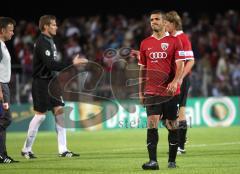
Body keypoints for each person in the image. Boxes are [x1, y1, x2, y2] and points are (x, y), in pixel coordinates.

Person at [21, 15, 88, 159]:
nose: (56, 27)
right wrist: (72, 64)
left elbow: (52, 65)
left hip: (52, 81)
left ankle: (63, 150)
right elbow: (50, 64)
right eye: (53, 25)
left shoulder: (50, 41)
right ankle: (26, 149)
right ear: (46, 26)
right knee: (40, 117)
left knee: (60, 112)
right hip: (41, 82)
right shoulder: (42, 42)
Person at [138, 10, 185, 170]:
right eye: (151, 19)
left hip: (170, 92)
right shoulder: (145, 43)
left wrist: (175, 81)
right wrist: (140, 90)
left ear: (164, 22)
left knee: (172, 125)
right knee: (152, 123)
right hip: (151, 91)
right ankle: (153, 161)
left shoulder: (175, 41)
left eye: (157, 19)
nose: (153, 22)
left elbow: (180, 64)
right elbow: (143, 69)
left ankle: (172, 161)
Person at [165, 11, 195, 154]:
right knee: (165, 116)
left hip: (181, 80)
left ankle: (180, 146)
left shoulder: (182, 38)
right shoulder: (168, 39)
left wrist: (181, 77)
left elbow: (191, 60)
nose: (164, 25)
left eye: (167, 23)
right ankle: (180, 140)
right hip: (170, 80)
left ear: (174, 24)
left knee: (180, 113)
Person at [0, 17, 19, 163]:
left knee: (3, 120)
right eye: (11, 30)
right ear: (2, 30)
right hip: (1, 86)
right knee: (5, 119)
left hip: (4, 85)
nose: (13, 33)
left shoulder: (3, 45)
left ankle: (3, 155)